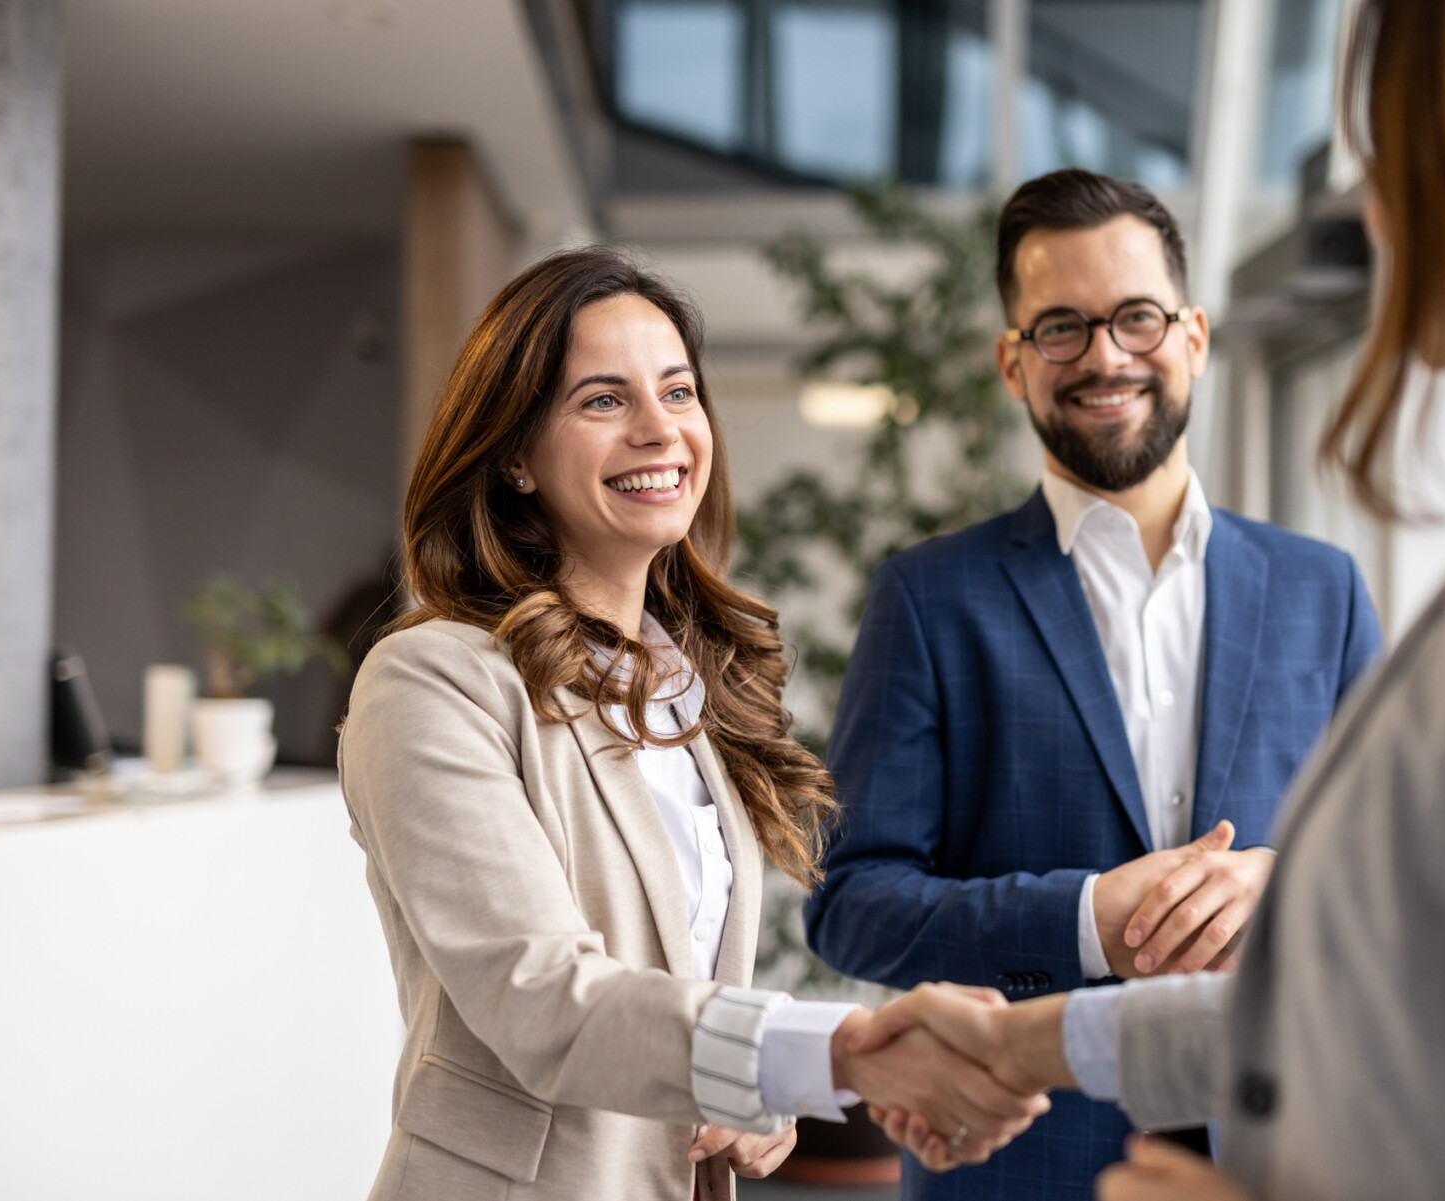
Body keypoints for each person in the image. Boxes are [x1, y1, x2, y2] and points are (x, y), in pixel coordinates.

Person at [857, 2, 1445, 1197]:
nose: (1377, 212)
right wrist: (1029, 1041)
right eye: (1064, 326)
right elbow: (1405, 989)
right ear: (1014, 355)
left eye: (1396, 157)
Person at [338, 249, 1048, 1201]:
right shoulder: (430, 683)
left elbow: (679, 981)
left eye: (678, 391)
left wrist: (759, 1093)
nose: (659, 428)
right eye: (602, 400)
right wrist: (837, 1051)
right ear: (511, 454)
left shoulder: (684, 687)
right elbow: (544, 1002)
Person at [803, 168, 1383, 1199]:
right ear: (1011, 362)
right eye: (1061, 327)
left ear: (1194, 336)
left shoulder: (1323, 589)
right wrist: (1087, 916)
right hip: (1023, 1165)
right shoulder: (930, 599)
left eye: (1137, 318)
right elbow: (852, 905)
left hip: (1286, 1156)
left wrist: (1288, 884)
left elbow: (1409, 865)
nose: (1105, 355)